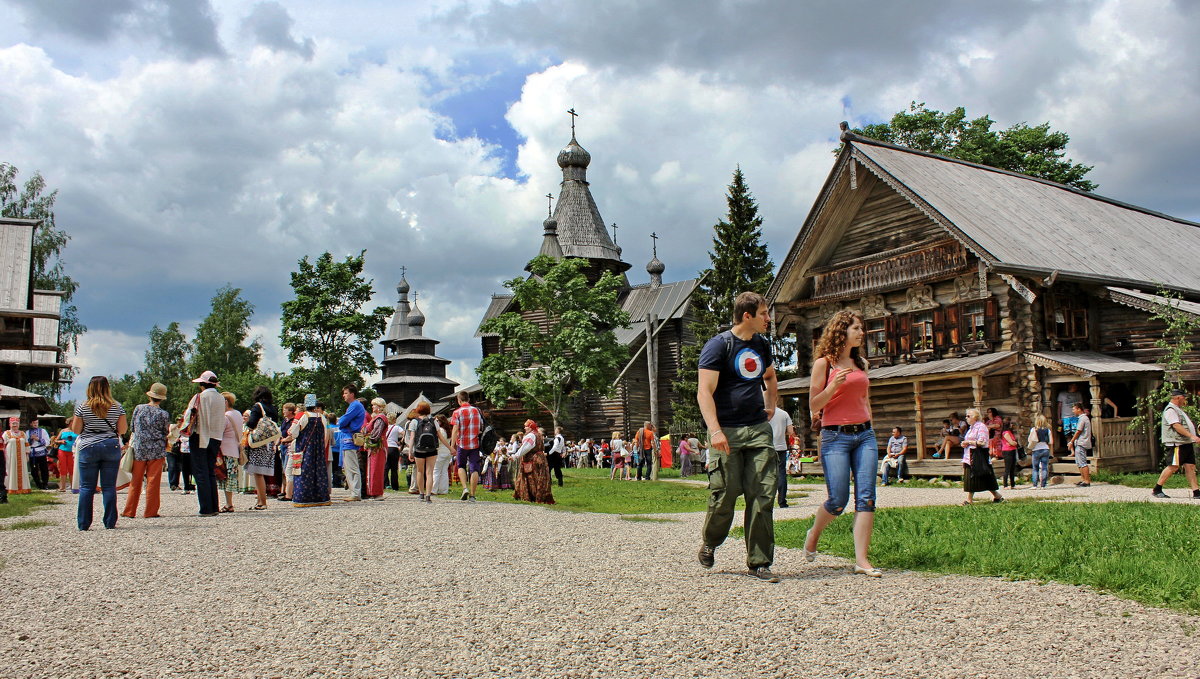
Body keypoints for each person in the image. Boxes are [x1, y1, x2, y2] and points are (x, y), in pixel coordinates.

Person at [696, 292, 781, 582]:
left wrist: (771, 404)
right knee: (725, 494)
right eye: (764, 313)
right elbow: (704, 391)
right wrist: (715, 430)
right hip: (727, 431)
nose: (769, 318)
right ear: (748, 316)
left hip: (758, 428)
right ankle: (711, 541)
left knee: (762, 494)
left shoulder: (761, 344)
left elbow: (769, 377)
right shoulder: (718, 345)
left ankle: (759, 562)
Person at [802, 309, 881, 578]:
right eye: (856, 328)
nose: (861, 332)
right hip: (835, 436)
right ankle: (814, 533)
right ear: (841, 331)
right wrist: (833, 385)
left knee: (866, 497)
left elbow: (864, 399)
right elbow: (813, 405)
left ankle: (861, 559)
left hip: (865, 436)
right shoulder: (824, 364)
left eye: (861, 328)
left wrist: (871, 424)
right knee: (837, 499)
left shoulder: (862, 364)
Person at [71, 376, 128, 529]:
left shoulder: (82, 407)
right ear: (107, 388)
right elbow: (122, 430)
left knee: (87, 487)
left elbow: (76, 430)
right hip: (110, 446)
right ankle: (109, 522)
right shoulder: (117, 406)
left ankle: (83, 523)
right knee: (109, 486)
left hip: (88, 446)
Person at [121, 382, 171, 519]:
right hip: (157, 449)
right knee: (153, 481)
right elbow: (165, 431)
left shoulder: (139, 408)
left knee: (135, 480)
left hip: (140, 448)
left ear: (150, 396)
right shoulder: (164, 414)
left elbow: (132, 427)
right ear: (161, 398)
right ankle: (150, 511)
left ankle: (129, 511)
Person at [181, 370, 226, 517]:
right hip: (216, 436)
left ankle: (205, 508)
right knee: (210, 471)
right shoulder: (221, 398)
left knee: (200, 472)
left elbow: (189, 415)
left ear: (202, 384)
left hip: (201, 435)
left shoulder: (200, 397)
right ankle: (214, 506)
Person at [1152, 389, 1200, 499]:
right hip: (1177, 443)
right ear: (1178, 397)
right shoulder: (1170, 410)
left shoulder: (1178, 409)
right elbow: (1176, 426)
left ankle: (1196, 492)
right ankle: (1157, 489)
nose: (1185, 399)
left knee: (1190, 466)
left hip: (1185, 442)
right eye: (1184, 397)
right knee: (1173, 466)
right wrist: (1191, 436)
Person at [290, 394, 332, 507]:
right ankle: (321, 497)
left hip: (305, 449)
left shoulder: (302, 416)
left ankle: (303, 498)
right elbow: (326, 434)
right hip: (318, 449)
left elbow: (292, 432)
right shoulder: (322, 417)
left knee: (303, 471)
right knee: (319, 472)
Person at [244, 386, 278, 511]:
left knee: (258, 473)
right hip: (269, 442)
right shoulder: (273, 408)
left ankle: (262, 502)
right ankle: (260, 500)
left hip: (259, 442)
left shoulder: (258, 407)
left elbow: (251, 423)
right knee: (263, 472)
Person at [410, 401, 451, 503]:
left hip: (419, 450)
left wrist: (410, 451)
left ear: (418, 410)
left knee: (420, 471)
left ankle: (421, 494)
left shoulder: (414, 422)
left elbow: (412, 438)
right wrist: (450, 448)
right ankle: (428, 495)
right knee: (429, 473)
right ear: (429, 410)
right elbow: (440, 437)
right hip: (432, 450)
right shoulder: (434, 421)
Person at [961, 408, 1003, 505]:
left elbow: (982, 442)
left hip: (978, 456)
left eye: (968, 416)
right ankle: (997, 496)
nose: (966, 418)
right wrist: (964, 444)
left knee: (974, 477)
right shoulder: (971, 428)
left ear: (975, 417)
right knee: (983, 478)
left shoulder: (981, 427)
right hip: (969, 456)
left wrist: (969, 442)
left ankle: (969, 500)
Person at [449, 390, 484, 502]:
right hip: (474, 444)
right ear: (469, 399)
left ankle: (465, 488)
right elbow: (481, 427)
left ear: (459, 401)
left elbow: (455, 430)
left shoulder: (457, 412)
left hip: (462, 444)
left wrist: (452, 445)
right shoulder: (477, 410)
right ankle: (473, 495)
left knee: (461, 466)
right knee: (474, 468)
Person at [512, 419, 554, 504]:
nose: (524, 428)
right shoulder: (538, 434)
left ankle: (532, 496)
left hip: (532, 459)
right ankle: (541, 496)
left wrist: (515, 456)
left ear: (530, 427)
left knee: (531, 478)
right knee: (540, 478)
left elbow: (525, 448)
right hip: (540, 458)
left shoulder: (530, 435)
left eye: (526, 426)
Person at [217, 391, 244, 513]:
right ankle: (229, 503)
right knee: (231, 477)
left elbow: (219, 432)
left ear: (225, 402)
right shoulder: (237, 414)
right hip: (235, 449)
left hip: (225, 449)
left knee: (225, 477)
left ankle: (228, 504)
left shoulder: (225, 416)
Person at [337, 385, 366, 501]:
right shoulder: (353, 406)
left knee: (352, 467)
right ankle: (353, 491)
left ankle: (356, 492)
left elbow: (343, 421)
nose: (343, 395)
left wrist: (343, 422)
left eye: (345, 393)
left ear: (352, 394)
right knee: (348, 467)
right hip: (347, 438)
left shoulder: (355, 406)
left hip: (349, 438)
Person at [767, 400, 794, 507]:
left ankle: (767, 500)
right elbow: (791, 431)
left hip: (766, 446)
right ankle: (782, 501)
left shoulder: (763, 414)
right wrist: (782, 432)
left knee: (767, 474)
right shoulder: (784, 414)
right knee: (781, 473)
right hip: (781, 447)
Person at [363, 398, 388, 499]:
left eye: (374, 405)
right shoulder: (377, 418)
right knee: (373, 469)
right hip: (375, 447)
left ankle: (377, 492)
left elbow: (375, 434)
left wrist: (367, 439)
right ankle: (374, 492)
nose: (372, 407)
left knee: (376, 469)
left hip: (377, 446)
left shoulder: (380, 418)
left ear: (379, 407)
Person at [2, 417, 30, 502]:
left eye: (16, 423)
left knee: (22, 471)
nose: (15, 425)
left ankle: (23, 488)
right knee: (10, 470)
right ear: (10, 424)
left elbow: (26, 444)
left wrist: (27, 454)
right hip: (10, 456)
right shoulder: (6, 433)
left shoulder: (23, 434)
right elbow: (3, 445)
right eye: (13, 423)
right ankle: (10, 488)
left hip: (21, 456)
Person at [1066, 403, 1093, 487]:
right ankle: (1083, 479)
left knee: (1082, 462)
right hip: (1079, 443)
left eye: (1074, 409)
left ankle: (1087, 480)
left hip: (1082, 442)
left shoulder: (1083, 419)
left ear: (1079, 409)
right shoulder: (1081, 418)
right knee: (1079, 462)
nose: (1073, 411)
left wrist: (1071, 441)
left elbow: (1078, 431)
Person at [1028, 414, 1053, 489]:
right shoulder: (1048, 430)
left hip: (1036, 449)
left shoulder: (1033, 429)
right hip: (1045, 449)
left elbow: (1030, 439)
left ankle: (1035, 485)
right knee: (1044, 467)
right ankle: (1043, 485)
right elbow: (1051, 442)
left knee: (1035, 468)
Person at [25, 418, 50, 490]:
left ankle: (45, 484)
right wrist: (31, 439)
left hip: (41, 451)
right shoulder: (27, 432)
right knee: (34, 470)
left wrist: (38, 439)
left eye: (36, 423)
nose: (35, 424)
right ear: (31, 424)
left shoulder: (43, 431)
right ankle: (38, 484)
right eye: (33, 423)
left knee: (44, 469)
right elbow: (26, 443)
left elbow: (47, 442)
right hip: (32, 452)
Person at [432, 414, 454, 495]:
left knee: (436, 471)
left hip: (440, 452)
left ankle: (433, 489)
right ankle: (443, 490)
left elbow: (439, 442)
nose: (436, 422)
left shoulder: (440, 430)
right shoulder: (448, 430)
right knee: (444, 472)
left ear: (441, 422)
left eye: (437, 421)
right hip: (447, 452)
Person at [53, 426, 77, 493]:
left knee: (72, 468)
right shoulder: (63, 430)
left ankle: (74, 487)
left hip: (73, 451)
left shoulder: (77, 430)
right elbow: (55, 440)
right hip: (62, 450)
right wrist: (61, 441)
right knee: (63, 468)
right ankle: (62, 487)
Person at [999, 418, 1020, 489]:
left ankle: (1012, 484)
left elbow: (1014, 442)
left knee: (1012, 468)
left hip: (1013, 450)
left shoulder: (1010, 432)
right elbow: (1012, 442)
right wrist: (1013, 443)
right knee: (1007, 468)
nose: (1012, 425)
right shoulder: (1006, 433)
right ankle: (1005, 484)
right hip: (1007, 451)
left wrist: (1014, 443)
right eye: (1010, 423)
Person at [385, 413, 403, 491]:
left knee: (385, 467)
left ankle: (385, 484)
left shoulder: (385, 428)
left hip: (386, 447)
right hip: (394, 447)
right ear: (394, 419)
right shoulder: (396, 427)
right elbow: (404, 433)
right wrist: (401, 441)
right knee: (394, 468)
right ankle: (395, 485)